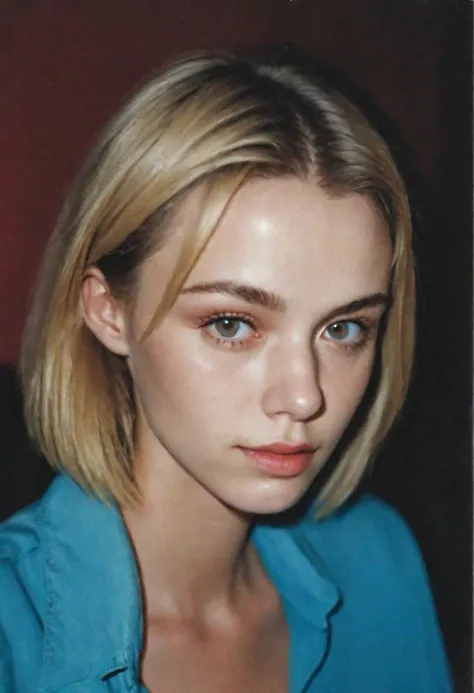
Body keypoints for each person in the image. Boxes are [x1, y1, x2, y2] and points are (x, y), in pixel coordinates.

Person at [0, 51, 452, 692]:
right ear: (108, 312)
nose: (303, 396)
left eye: (344, 328)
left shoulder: (378, 560)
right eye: (232, 324)